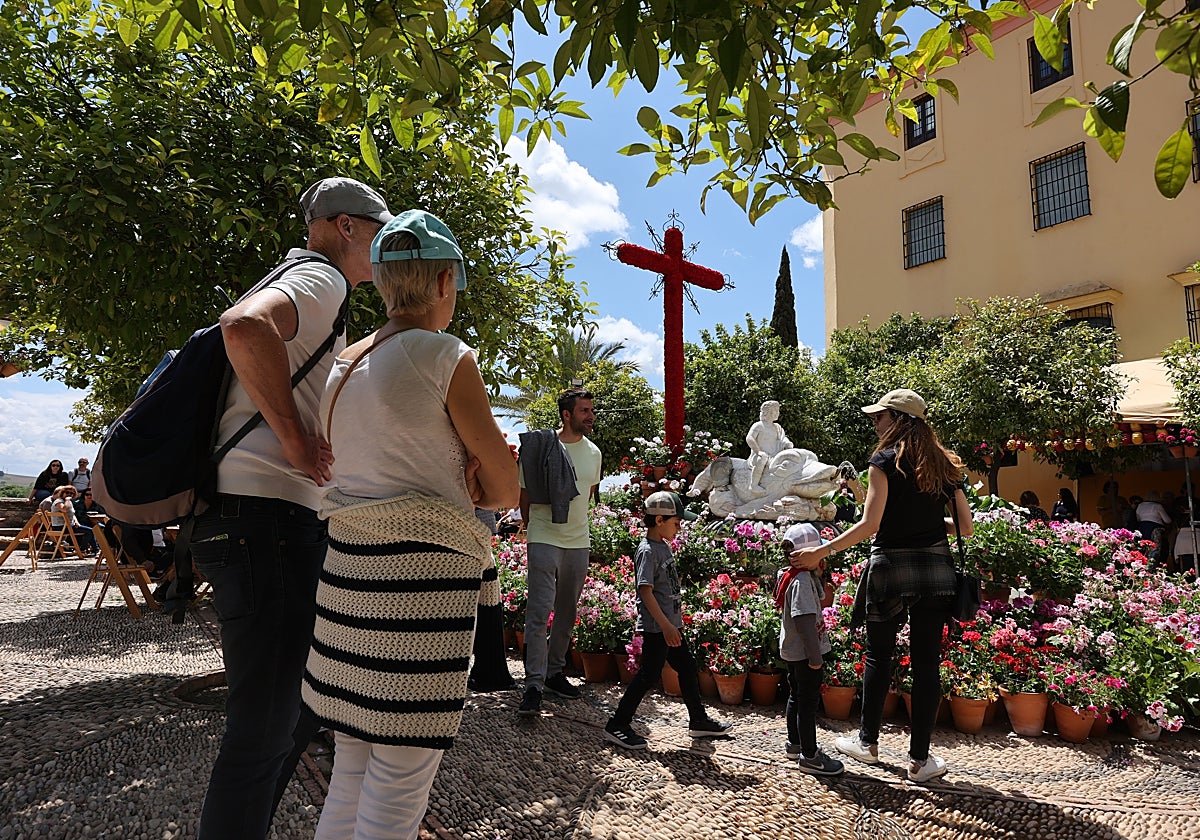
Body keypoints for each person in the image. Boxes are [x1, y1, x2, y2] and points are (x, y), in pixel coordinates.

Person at [301, 209, 518, 840]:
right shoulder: (446, 355)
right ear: (446, 281)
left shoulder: (344, 365)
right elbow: (504, 489)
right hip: (420, 589)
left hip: (348, 582)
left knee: (351, 767)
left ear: (381, 279)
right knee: (400, 781)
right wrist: (476, 470)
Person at [191, 176, 393, 840]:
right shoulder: (320, 279)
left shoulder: (309, 281)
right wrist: (294, 439)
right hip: (265, 520)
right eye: (380, 232)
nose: (385, 248)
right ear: (345, 227)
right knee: (263, 729)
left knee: (299, 711)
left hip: (263, 521)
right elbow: (244, 327)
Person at [791, 388, 971, 784]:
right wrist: (927, 522)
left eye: (880, 416)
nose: (875, 423)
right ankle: (920, 762)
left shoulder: (883, 462)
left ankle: (868, 743)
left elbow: (871, 524)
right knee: (928, 664)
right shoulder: (945, 465)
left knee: (878, 656)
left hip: (891, 568)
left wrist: (822, 551)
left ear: (899, 420)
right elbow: (965, 527)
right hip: (936, 570)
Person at [603, 491, 732, 749]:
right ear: (659, 520)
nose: (679, 527)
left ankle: (698, 721)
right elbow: (645, 590)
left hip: (670, 626)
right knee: (649, 674)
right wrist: (665, 625)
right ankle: (617, 725)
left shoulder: (662, 546)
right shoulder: (647, 551)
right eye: (676, 522)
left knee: (687, 667)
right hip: (658, 628)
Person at [516, 388, 602, 716]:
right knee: (539, 612)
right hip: (544, 536)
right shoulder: (541, 448)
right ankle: (533, 685)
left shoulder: (594, 453)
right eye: (584, 410)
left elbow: (587, 495)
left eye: (591, 410)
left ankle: (554, 673)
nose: (590, 415)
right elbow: (525, 495)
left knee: (567, 612)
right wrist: (534, 530)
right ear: (567, 415)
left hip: (578, 541)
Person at [775, 522, 844, 776]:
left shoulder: (792, 574)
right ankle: (810, 755)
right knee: (807, 703)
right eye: (818, 553)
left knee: (796, 696)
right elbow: (804, 620)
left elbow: (818, 600)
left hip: (793, 651)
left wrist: (819, 574)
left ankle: (795, 744)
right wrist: (815, 657)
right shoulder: (802, 581)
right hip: (805, 654)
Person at [746, 400, 793, 496]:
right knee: (762, 459)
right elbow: (749, 438)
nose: (777, 413)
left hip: (774, 455)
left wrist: (787, 443)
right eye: (775, 411)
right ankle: (754, 485)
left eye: (778, 411)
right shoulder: (759, 425)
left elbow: (782, 439)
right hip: (760, 455)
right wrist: (758, 451)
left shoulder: (777, 427)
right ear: (766, 412)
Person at [48, 486, 97, 553]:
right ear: (62, 493)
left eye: (71, 493)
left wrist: (76, 522)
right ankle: (82, 550)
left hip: (69, 525)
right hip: (61, 527)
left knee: (90, 529)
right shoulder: (59, 501)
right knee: (90, 531)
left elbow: (72, 514)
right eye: (67, 492)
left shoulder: (68, 502)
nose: (69, 494)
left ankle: (94, 549)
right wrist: (67, 500)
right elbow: (64, 509)